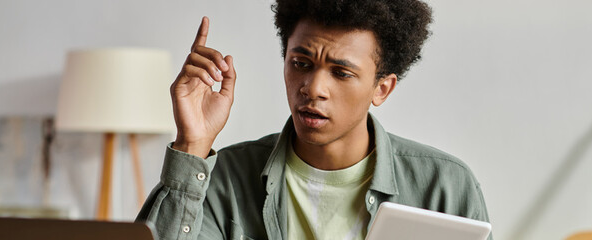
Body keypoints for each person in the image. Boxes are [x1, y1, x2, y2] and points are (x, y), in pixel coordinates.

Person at [136, 0, 492, 239]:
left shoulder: (444, 186)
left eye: (341, 73)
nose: (313, 88)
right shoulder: (223, 178)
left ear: (381, 89)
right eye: (301, 64)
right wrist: (192, 144)